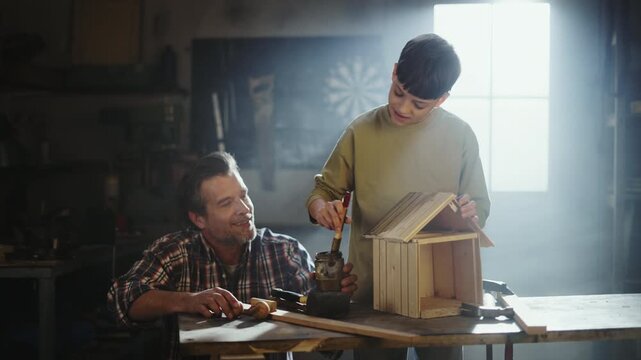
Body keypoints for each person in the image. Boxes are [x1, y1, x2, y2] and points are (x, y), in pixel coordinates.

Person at [306, 33, 490, 360]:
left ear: (442, 99)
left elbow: (479, 205)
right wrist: (323, 208)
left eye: (418, 104)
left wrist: (471, 212)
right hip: (372, 292)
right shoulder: (360, 131)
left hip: (440, 292)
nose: (402, 108)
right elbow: (323, 191)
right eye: (398, 92)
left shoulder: (461, 136)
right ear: (393, 73)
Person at [108, 151, 358, 360]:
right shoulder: (175, 252)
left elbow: (331, 346)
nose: (244, 209)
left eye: (243, 195)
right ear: (198, 219)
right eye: (226, 203)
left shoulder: (285, 252)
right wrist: (187, 301)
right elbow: (121, 300)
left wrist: (333, 302)